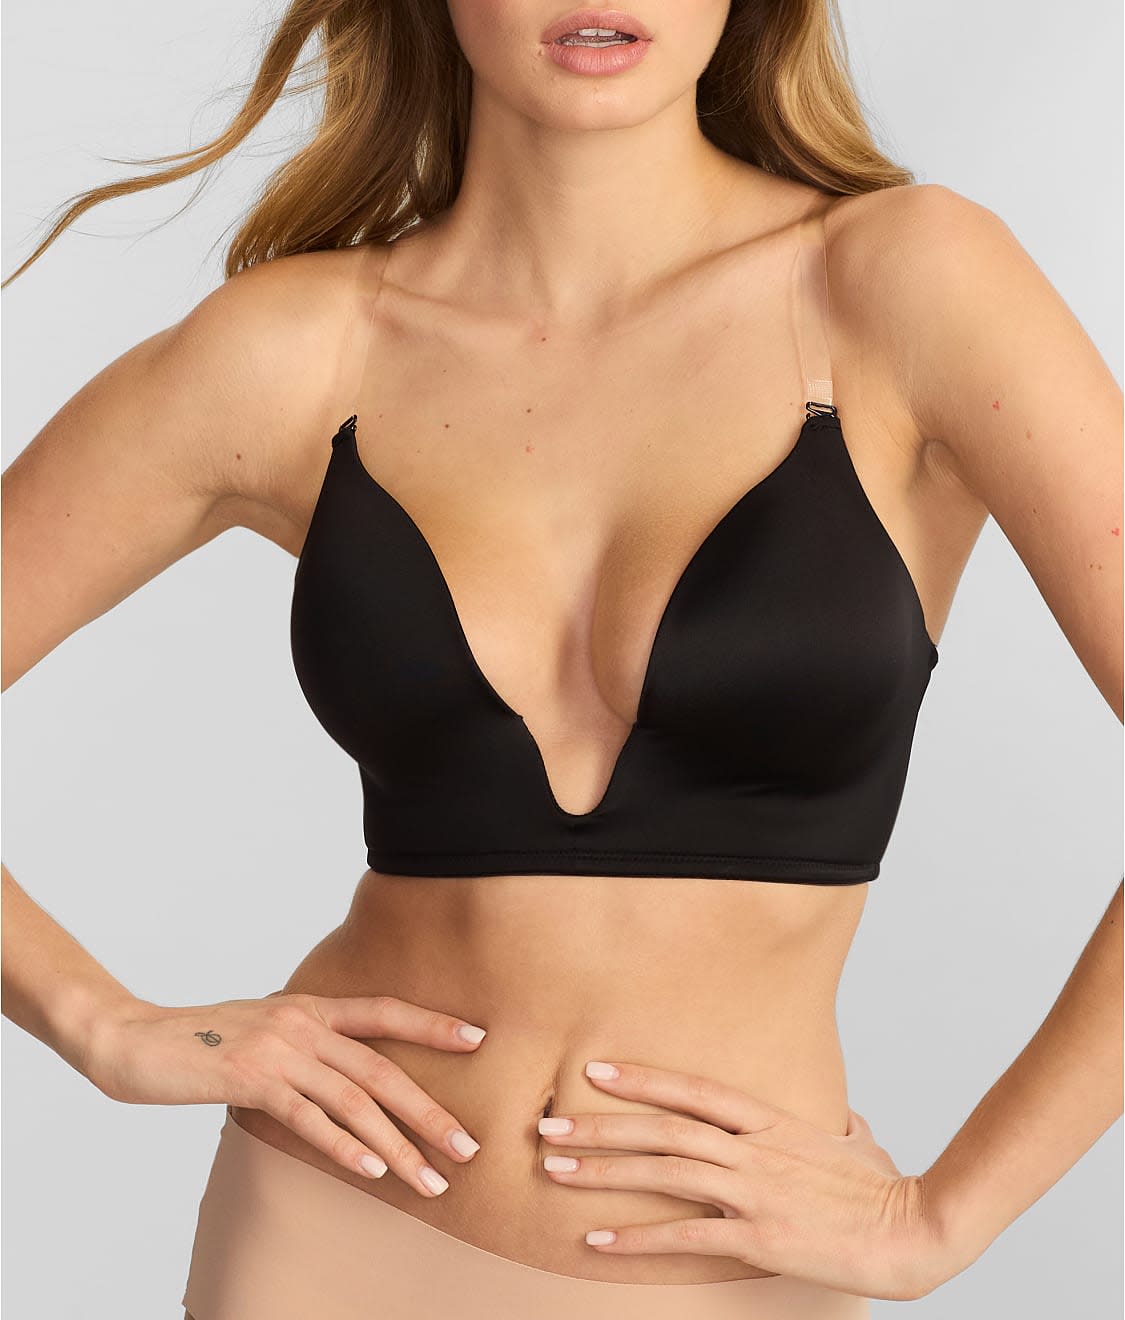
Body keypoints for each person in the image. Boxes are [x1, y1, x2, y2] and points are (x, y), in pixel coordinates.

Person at [2, 2, 1121, 1317]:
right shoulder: (298, 347)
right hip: (325, 1236)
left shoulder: (899, 283)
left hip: (721, 1272)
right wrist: (99, 1025)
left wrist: (936, 1220)